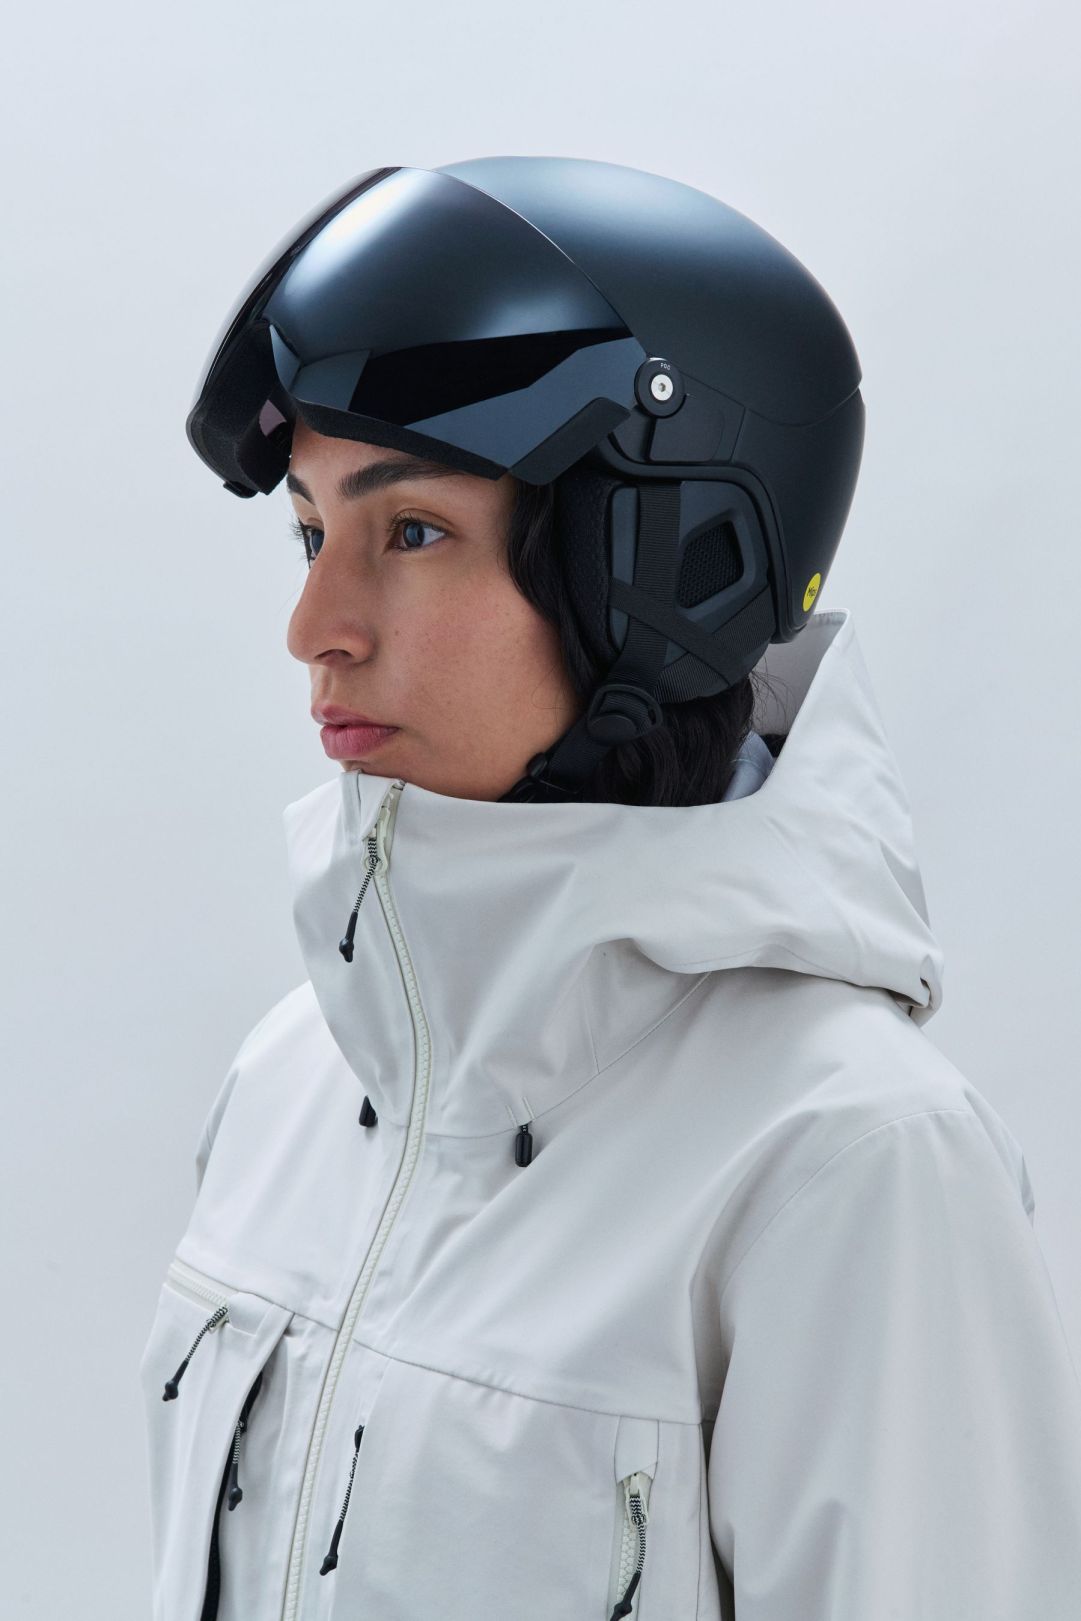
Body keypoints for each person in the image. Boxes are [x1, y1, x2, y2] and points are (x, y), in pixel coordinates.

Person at [140, 157, 1081, 1620]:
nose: (313, 625)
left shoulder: (848, 1161)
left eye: (410, 531)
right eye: (312, 533)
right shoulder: (291, 1081)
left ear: (660, 572)